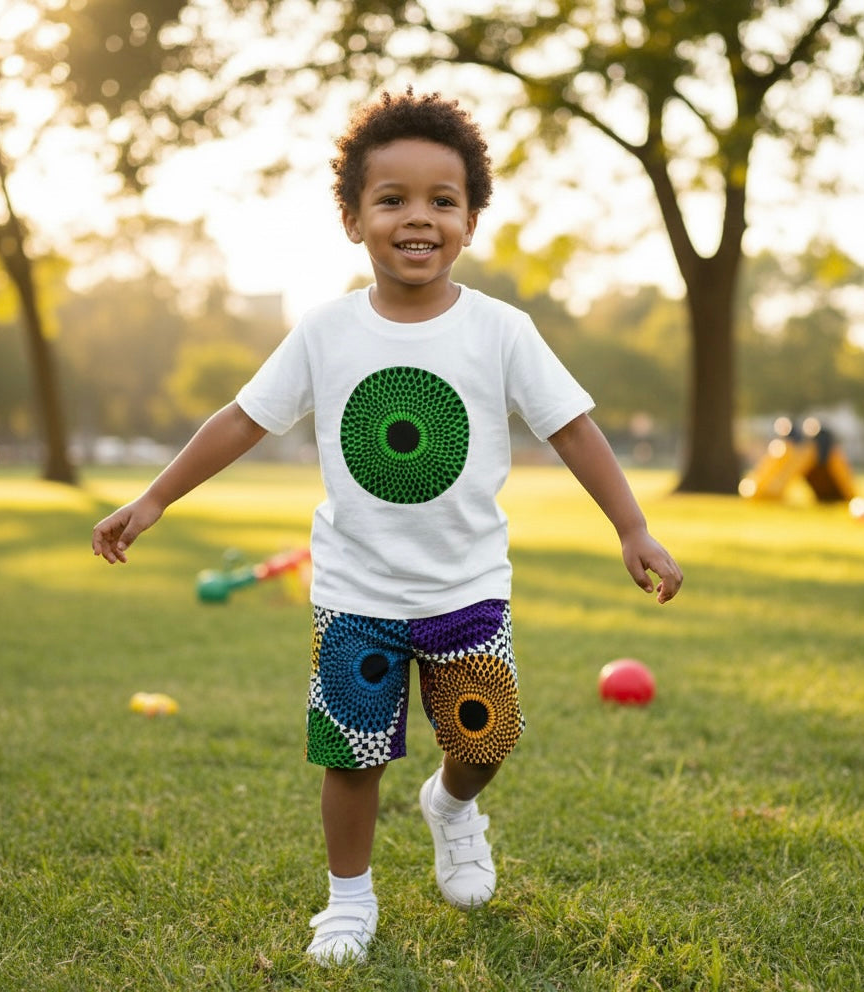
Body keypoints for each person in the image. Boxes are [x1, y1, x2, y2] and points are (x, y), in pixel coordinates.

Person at [92, 89, 683, 966]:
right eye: (392, 199)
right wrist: (154, 498)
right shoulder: (325, 331)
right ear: (352, 217)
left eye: (442, 201)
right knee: (353, 754)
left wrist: (631, 527)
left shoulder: (501, 331)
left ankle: (450, 807)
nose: (418, 218)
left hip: (466, 585)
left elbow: (572, 428)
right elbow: (242, 419)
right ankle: (347, 900)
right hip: (355, 589)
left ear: (470, 220)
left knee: (487, 738)